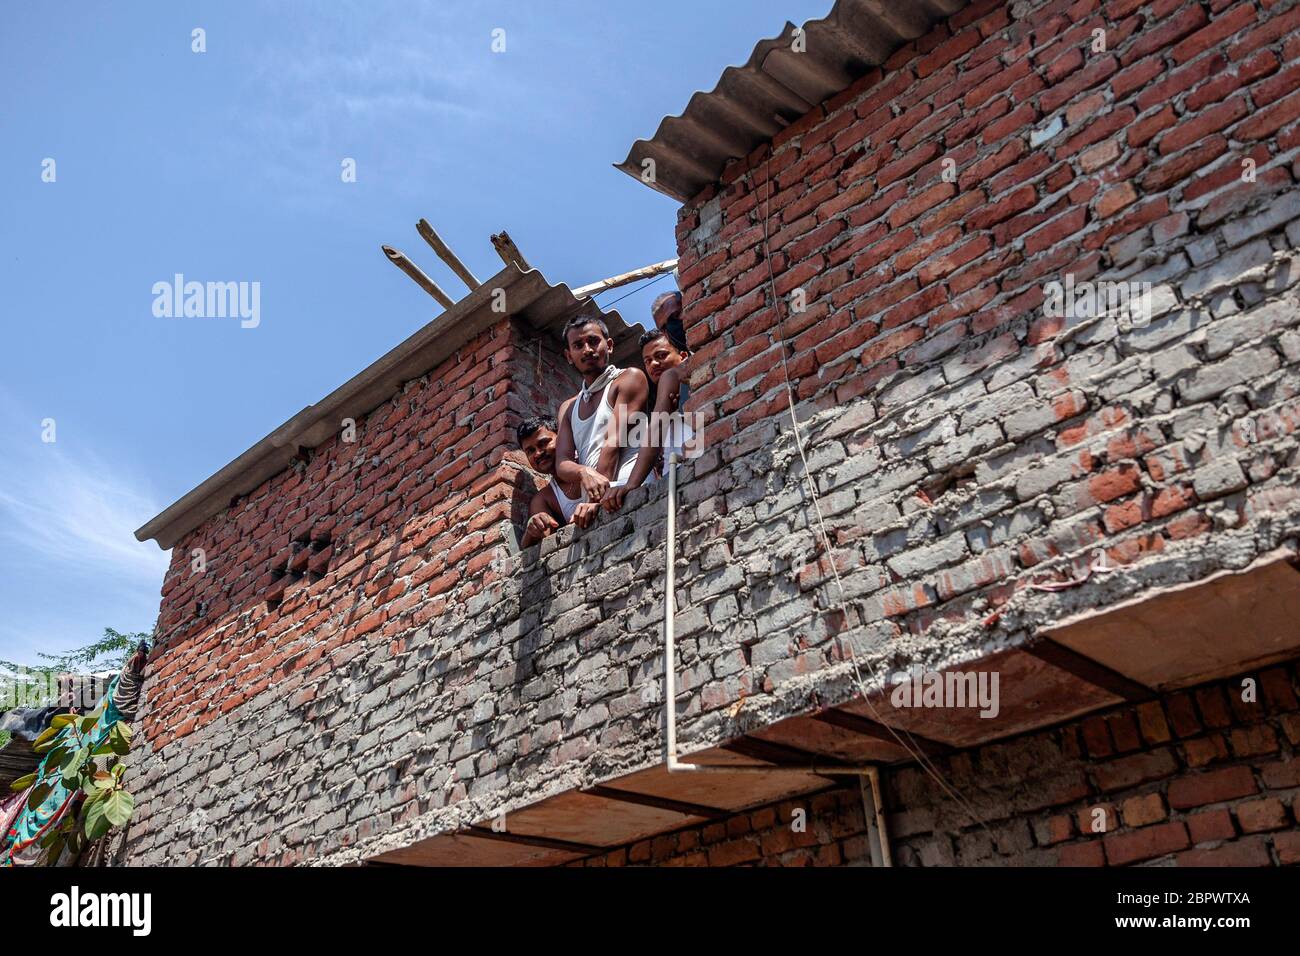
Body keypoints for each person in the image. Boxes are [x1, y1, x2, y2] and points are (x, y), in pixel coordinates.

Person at [553, 315, 650, 514]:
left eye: (594, 341)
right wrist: (583, 471)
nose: (587, 349)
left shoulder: (629, 378)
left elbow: (613, 443)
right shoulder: (568, 408)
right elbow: (562, 463)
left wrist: (594, 502)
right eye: (578, 345)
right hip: (594, 503)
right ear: (569, 356)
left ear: (610, 345)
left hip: (630, 491)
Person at [607, 328, 695, 511]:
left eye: (661, 355)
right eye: (647, 361)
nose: (654, 364)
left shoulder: (673, 375)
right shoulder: (672, 396)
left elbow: (656, 431)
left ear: (684, 356)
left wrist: (632, 484)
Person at [516, 416, 598, 547]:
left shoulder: (591, 461)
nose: (537, 453)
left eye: (543, 443)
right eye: (530, 451)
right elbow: (542, 539)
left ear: (562, 437)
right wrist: (532, 530)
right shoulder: (545, 498)